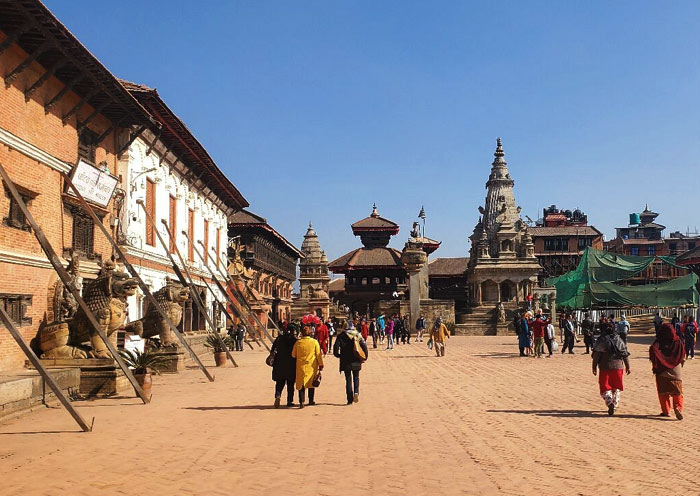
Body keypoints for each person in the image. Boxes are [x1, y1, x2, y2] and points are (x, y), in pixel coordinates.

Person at [592, 322, 631, 415]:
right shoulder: (619, 340)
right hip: (618, 368)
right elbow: (625, 354)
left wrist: (594, 366)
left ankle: (610, 403)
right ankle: (615, 403)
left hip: (605, 368)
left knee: (605, 387)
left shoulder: (601, 340)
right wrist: (628, 366)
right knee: (616, 387)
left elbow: (596, 355)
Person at [649, 323, 685, 419]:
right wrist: (681, 362)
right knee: (677, 393)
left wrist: (656, 362)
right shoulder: (678, 342)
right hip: (676, 372)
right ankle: (677, 407)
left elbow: (653, 350)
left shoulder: (658, 342)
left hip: (661, 372)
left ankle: (666, 411)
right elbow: (683, 355)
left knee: (663, 394)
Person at [333, 321, 369, 404]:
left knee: (348, 379)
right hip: (356, 359)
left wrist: (338, 355)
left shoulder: (341, 336)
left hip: (346, 361)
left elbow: (335, 348)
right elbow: (364, 346)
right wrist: (365, 357)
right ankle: (356, 392)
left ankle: (349, 399)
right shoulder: (357, 334)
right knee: (356, 377)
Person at [291, 321, 324, 408]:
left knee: (301, 384)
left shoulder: (298, 342)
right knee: (311, 383)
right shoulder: (314, 342)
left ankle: (301, 402)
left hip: (300, 366)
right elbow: (318, 355)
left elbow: (293, 354)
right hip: (311, 366)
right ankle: (311, 400)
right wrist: (321, 364)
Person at [271, 324, 297, 407]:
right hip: (291, 365)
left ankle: (278, 395)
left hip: (279, 364)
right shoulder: (294, 340)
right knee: (290, 384)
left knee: (279, 382)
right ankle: (290, 401)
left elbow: (272, 350)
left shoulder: (279, 339)